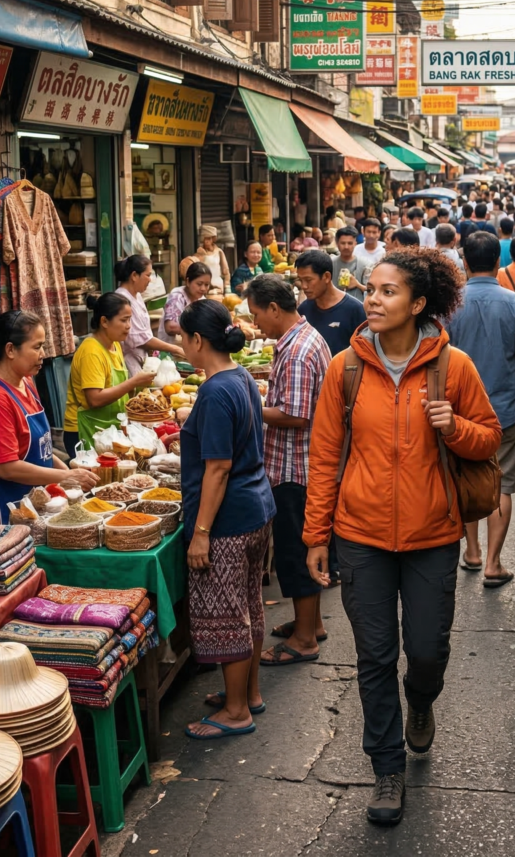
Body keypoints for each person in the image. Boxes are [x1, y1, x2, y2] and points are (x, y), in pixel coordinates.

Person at [304, 249, 501, 825]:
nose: (373, 299)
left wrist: (455, 427)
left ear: (418, 304)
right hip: (360, 535)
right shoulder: (344, 369)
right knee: (373, 656)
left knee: (427, 650)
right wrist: (317, 533)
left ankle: (421, 699)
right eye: (370, 289)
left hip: (433, 534)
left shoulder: (452, 366)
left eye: (388, 291)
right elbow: (323, 458)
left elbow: (489, 440)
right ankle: (386, 769)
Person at [179, 301, 276, 740]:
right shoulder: (240, 378)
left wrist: (201, 534)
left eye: (183, 338)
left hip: (230, 518)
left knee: (226, 613)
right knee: (248, 606)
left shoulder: (216, 390)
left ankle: (237, 711)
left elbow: (217, 468)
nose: (183, 346)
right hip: (255, 507)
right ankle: (248, 694)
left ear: (198, 340)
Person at [243, 275, 332, 668]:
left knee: (296, 553)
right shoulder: (304, 337)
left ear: (274, 309)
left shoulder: (296, 351)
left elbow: (295, 416)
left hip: (296, 468)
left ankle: (304, 640)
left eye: (257, 315)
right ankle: (308, 623)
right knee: (299, 549)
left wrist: (248, 406)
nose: (256, 323)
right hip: (302, 463)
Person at [448, 232, 515, 587]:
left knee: (467, 479)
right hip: (503, 410)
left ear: (466, 263)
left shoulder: (451, 303)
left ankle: (471, 551)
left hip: (457, 415)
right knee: (501, 484)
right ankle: (493, 562)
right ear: (498, 263)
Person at [0, 312, 100, 524]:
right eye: (37, 347)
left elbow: (42, 449)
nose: (43, 354)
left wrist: (69, 474)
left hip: (29, 504)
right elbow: (7, 467)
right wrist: (65, 477)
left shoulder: (26, 382)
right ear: (10, 349)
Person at [64, 293, 156, 453]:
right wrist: (134, 382)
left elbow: (119, 389)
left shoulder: (115, 345)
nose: (128, 326)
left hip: (108, 428)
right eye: (123, 320)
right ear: (104, 321)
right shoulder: (91, 352)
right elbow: (95, 399)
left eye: (129, 320)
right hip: (85, 431)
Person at [114, 255, 184, 376]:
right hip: (129, 361)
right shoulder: (123, 299)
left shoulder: (137, 295)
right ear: (134, 276)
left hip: (141, 359)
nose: (150, 280)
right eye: (148, 275)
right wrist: (176, 349)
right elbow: (140, 339)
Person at [294, 250, 366, 358]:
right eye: (301, 280)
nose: (304, 286)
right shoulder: (303, 310)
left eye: (308, 280)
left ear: (326, 277)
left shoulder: (355, 310)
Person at [164, 262, 213, 337]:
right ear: (188, 282)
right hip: (173, 346)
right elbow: (170, 327)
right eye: (199, 284)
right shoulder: (177, 296)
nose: (203, 288)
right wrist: (197, 330)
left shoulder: (201, 299)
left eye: (206, 285)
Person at [179, 224, 229, 292]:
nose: (206, 241)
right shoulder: (199, 254)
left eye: (209, 238)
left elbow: (225, 271)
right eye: (205, 239)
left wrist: (227, 286)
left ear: (213, 239)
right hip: (206, 286)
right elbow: (191, 266)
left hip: (219, 285)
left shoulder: (219, 251)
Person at [333, 227, 370, 302]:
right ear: (337, 244)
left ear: (355, 244)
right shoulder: (330, 264)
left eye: (350, 243)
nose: (346, 247)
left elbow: (371, 291)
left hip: (357, 307)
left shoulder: (364, 264)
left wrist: (357, 284)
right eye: (343, 243)